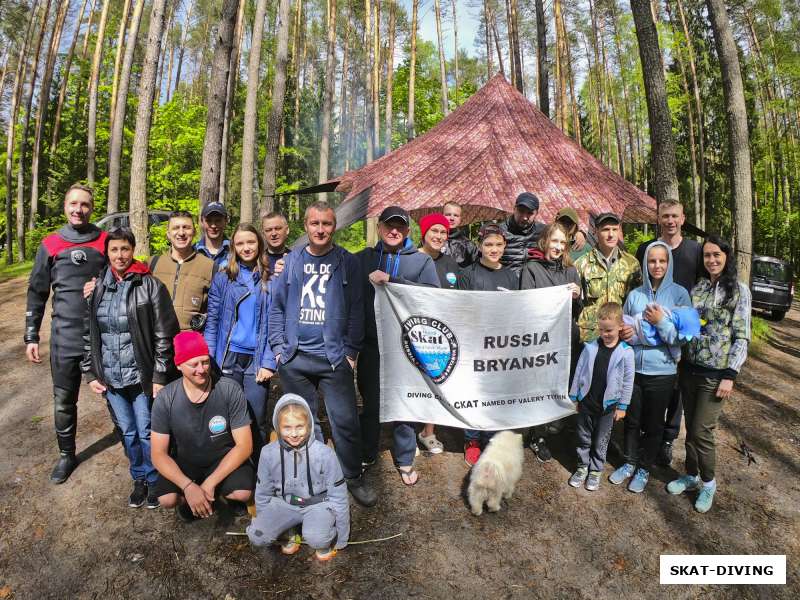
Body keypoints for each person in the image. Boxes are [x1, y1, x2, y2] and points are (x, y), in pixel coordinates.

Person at [269, 201, 376, 506]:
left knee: (344, 421)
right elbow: (276, 307)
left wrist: (351, 353)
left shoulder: (347, 262)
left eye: (326, 224)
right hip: (295, 358)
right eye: (315, 223)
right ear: (306, 226)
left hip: (333, 358)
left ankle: (352, 476)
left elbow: (357, 310)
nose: (320, 230)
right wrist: (279, 349)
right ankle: (313, 478)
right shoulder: (291, 262)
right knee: (305, 423)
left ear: (334, 226)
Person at [82, 228, 179, 508]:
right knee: (127, 432)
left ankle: (154, 478)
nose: (120, 255)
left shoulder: (149, 285)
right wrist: (90, 373)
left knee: (146, 431)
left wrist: (160, 375)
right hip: (111, 378)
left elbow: (165, 334)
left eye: (125, 249)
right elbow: (87, 334)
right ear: (107, 253)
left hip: (142, 376)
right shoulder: (97, 288)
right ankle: (138, 477)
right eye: (114, 250)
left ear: (133, 249)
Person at [25, 183, 108, 483]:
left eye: (84, 204)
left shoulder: (105, 241)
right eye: (73, 203)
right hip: (64, 338)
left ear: (92, 208)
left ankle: (130, 440)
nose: (78, 209)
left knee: (116, 393)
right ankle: (66, 455)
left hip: (101, 337)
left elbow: (121, 279)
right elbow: (37, 292)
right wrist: (31, 335)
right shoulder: (50, 244)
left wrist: (102, 285)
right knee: (63, 401)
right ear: (65, 206)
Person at [357, 206, 440, 486]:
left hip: (407, 348)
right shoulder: (364, 258)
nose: (394, 231)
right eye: (389, 226)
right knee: (371, 403)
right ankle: (367, 453)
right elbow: (331, 262)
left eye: (400, 227)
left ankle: (404, 458)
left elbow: (432, 297)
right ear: (379, 227)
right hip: (372, 345)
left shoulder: (421, 261)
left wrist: (393, 280)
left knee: (405, 404)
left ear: (407, 231)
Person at [667, 235, 750, 514]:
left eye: (717, 254)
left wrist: (730, 374)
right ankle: (691, 475)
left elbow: (742, 336)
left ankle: (708, 483)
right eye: (707, 256)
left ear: (727, 256)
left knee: (703, 431)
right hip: (690, 369)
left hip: (716, 374)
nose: (712, 260)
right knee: (690, 427)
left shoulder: (738, 291)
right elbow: (689, 326)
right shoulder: (699, 288)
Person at [610, 242, 691, 493]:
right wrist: (624, 332)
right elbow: (623, 326)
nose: (657, 266)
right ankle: (629, 462)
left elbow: (682, 337)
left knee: (654, 424)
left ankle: (644, 467)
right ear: (645, 263)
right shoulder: (635, 295)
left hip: (663, 371)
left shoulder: (679, 295)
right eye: (652, 261)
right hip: (633, 369)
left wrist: (660, 322)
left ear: (669, 264)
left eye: (662, 261)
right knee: (632, 421)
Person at [151, 331, 254, 520]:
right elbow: (158, 454)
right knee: (166, 499)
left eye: (205, 362)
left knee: (243, 493)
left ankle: (217, 494)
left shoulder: (229, 389)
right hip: (186, 461)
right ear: (179, 365)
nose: (202, 369)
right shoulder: (166, 398)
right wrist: (188, 487)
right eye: (194, 364)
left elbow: (245, 445)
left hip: (221, 458)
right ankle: (188, 501)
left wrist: (209, 483)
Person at [634, 200, 703, 467]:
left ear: (683, 218)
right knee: (648, 387)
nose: (670, 221)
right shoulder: (647, 249)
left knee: (676, 391)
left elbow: (701, 288)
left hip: (680, 327)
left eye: (675, 216)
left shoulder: (694, 251)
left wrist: (689, 323)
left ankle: (667, 439)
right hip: (649, 329)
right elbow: (639, 282)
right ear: (658, 219)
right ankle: (645, 433)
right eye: (665, 216)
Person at [247, 394, 349, 561]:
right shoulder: (268, 453)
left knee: (318, 539)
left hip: (317, 505)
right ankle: (288, 532)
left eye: (299, 427)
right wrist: (270, 524)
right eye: (287, 427)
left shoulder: (325, 454)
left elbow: (338, 495)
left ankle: (323, 536)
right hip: (284, 504)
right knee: (257, 536)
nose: (294, 434)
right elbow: (263, 492)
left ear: (309, 426)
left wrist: (342, 537)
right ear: (277, 427)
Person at [205, 223, 276, 453]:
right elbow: (213, 321)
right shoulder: (224, 277)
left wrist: (268, 361)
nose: (246, 247)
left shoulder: (271, 277)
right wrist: (210, 358)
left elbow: (276, 323)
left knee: (256, 418)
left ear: (259, 244)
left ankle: (257, 473)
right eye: (240, 243)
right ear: (233, 247)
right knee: (226, 418)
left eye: (251, 242)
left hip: (255, 361)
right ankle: (228, 471)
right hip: (228, 358)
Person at [519, 222, 583, 462]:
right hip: (541, 341)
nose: (558, 246)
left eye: (562, 243)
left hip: (567, 338)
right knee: (540, 388)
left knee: (562, 385)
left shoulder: (571, 270)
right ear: (545, 241)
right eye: (554, 241)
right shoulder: (532, 269)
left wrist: (579, 295)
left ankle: (557, 429)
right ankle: (537, 436)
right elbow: (526, 304)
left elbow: (578, 309)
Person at [460, 224, 518, 466]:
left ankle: (492, 437)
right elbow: (460, 311)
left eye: (498, 244)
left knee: (496, 395)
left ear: (504, 246)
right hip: (474, 346)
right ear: (480, 246)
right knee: (473, 393)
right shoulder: (468, 274)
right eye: (488, 244)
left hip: (502, 347)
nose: (493, 249)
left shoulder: (511, 276)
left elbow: (518, 313)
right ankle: (472, 440)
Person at [568, 302, 634, 491]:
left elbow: (628, 381)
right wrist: (574, 397)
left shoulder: (626, 353)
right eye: (602, 329)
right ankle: (582, 467)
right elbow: (579, 372)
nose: (605, 334)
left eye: (609, 330)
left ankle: (595, 469)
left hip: (607, 407)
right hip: (587, 403)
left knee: (600, 440)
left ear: (621, 325)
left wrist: (622, 407)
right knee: (584, 437)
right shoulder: (589, 348)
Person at [415, 212, 460, 455]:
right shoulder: (410, 259)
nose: (439, 236)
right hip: (411, 333)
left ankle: (428, 431)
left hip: (440, 336)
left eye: (443, 232)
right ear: (424, 233)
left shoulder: (451, 264)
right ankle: (404, 435)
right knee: (411, 382)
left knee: (437, 380)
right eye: (434, 230)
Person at [574, 212, 641, 343]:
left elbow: (637, 303)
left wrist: (632, 327)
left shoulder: (631, 264)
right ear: (595, 231)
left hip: (621, 337)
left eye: (614, 229)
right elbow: (575, 305)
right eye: (605, 230)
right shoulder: (582, 264)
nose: (611, 234)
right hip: (591, 337)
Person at [149, 210, 216, 331]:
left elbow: (216, 311)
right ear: (168, 234)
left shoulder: (210, 267)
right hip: (158, 341)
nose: (181, 232)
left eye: (186, 227)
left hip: (191, 343)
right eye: (176, 228)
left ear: (194, 232)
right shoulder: (153, 264)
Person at [498, 192, 547, 274]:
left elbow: (559, 239)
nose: (524, 217)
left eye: (530, 213)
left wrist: (576, 233)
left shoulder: (544, 231)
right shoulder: (499, 231)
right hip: (507, 282)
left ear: (536, 214)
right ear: (514, 209)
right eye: (521, 211)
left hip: (534, 282)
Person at [441, 201, 479, 267]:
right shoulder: (431, 240)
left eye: (456, 215)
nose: (452, 218)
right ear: (442, 216)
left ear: (460, 219)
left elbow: (476, 270)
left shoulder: (469, 245)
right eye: (448, 214)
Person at [196, 201, 231, 269]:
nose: (213, 225)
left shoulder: (235, 251)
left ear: (226, 221)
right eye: (208, 220)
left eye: (218, 220)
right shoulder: (193, 251)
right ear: (202, 221)